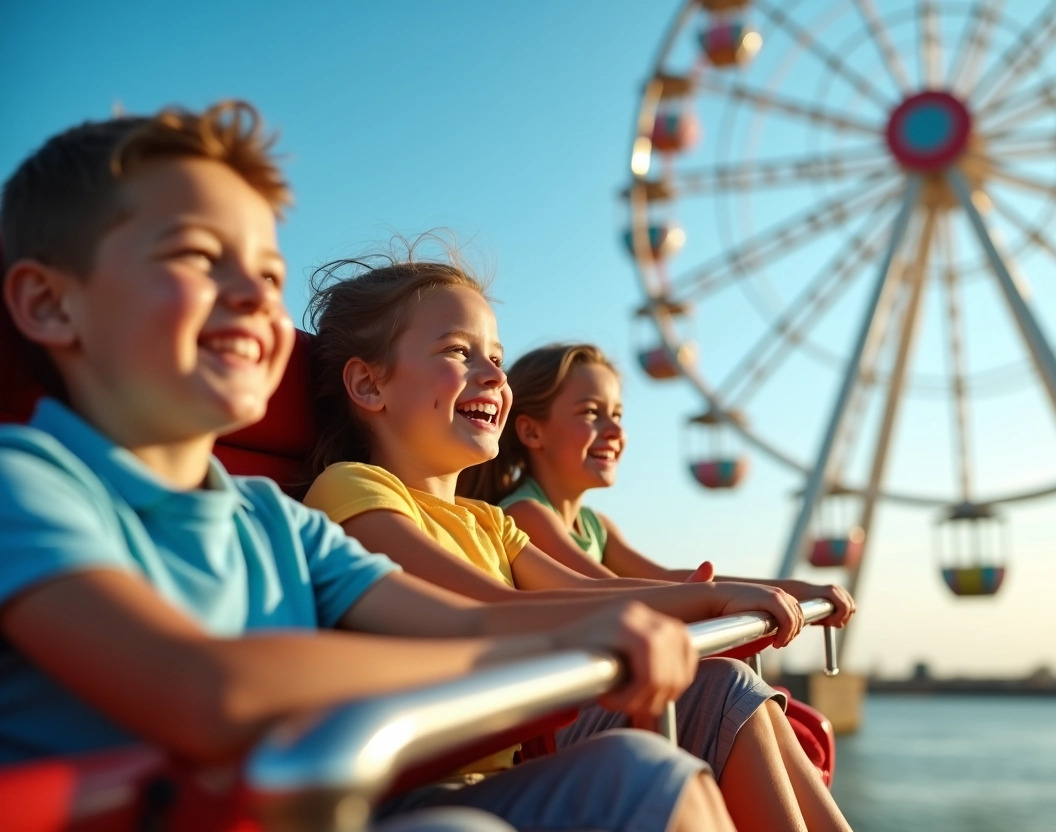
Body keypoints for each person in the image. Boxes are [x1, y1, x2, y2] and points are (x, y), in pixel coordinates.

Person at [0, 101, 740, 832]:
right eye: (196, 256)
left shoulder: (276, 523)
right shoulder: (24, 484)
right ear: (48, 303)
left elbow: (466, 624)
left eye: (267, 272)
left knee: (643, 776)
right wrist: (563, 643)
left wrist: (658, 612)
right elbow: (202, 689)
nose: (256, 295)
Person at [302, 250, 854, 832]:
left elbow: (596, 594)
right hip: (415, 791)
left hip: (501, 769)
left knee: (720, 684)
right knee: (643, 767)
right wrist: (715, 600)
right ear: (368, 384)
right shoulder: (352, 491)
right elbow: (490, 610)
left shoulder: (489, 522)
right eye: (458, 353)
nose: (493, 375)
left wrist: (743, 592)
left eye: (496, 358)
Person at [463, 342, 857, 609]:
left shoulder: (594, 526)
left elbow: (665, 578)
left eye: (617, 415)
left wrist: (796, 591)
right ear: (532, 431)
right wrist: (722, 597)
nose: (615, 431)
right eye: (590, 413)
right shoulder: (526, 515)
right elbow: (605, 590)